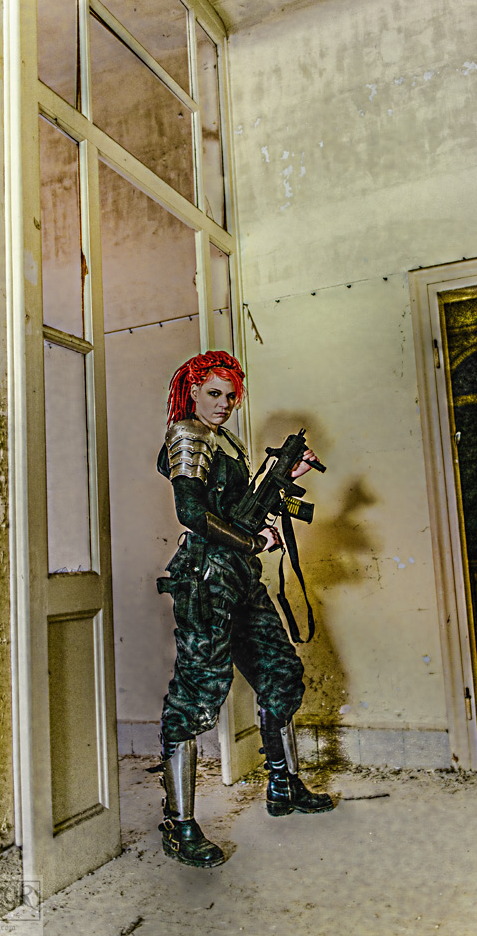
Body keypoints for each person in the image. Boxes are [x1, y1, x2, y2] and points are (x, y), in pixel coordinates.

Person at [156, 350, 333, 868]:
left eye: (231, 396)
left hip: (239, 576)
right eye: (214, 393)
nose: (224, 404)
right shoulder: (187, 435)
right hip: (205, 580)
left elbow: (236, 508)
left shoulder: (224, 441)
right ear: (192, 391)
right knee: (197, 696)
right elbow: (191, 512)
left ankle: (283, 785)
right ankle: (179, 826)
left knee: (281, 674)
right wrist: (254, 542)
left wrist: (285, 478)